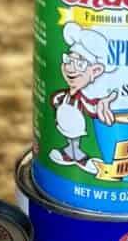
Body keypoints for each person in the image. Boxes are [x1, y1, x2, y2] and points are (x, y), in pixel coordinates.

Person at [49, 22, 117, 174]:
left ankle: (80, 157)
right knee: (68, 135)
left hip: (76, 124)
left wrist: (101, 105)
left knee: (75, 135)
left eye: (79, 64)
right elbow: (55, 99)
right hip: (63, 124)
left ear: (96, 71)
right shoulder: (64, 95)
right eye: (68, 60)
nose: (70, 68)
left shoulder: (84, 98)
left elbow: (91, 107)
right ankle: (69, 153)